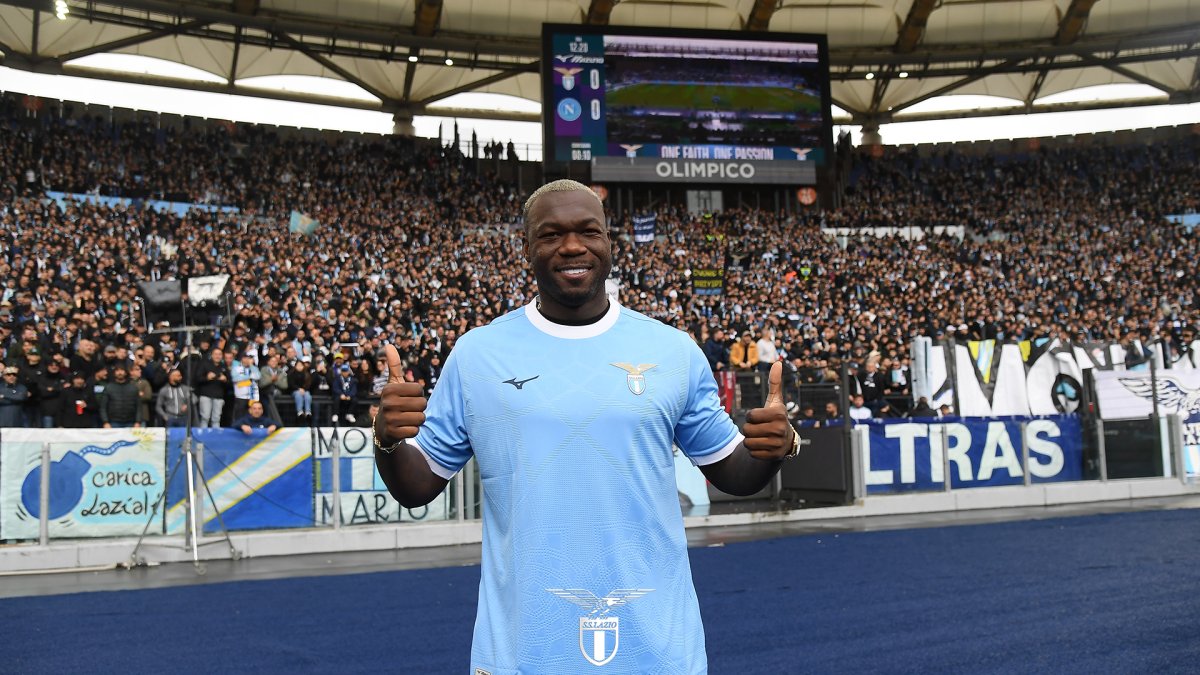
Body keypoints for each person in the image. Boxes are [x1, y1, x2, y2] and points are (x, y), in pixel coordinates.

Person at [373, 180, 798, 673]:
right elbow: (417, 485)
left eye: (587, 231)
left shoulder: (673, 350)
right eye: (552, 234)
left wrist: (775, 448)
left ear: (608, 243)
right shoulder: (477, 354)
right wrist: (387, 440)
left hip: (659, 653)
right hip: (521, 654)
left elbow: (735, 474)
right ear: (527, 247)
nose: (572, 246)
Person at [195, 348, 229, 428]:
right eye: (216, 354)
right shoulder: (204, 364)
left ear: (222, 356)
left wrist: (225, 379)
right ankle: (203, 437)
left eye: (219, 354)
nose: (217, 356)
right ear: (212, 355)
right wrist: (207, 378)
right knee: (205, 417)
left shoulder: (224, 366)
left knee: (216, 419)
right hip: (205, 395)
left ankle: (215, 438)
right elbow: (197, 379)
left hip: (219, 396)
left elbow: (230, 384)